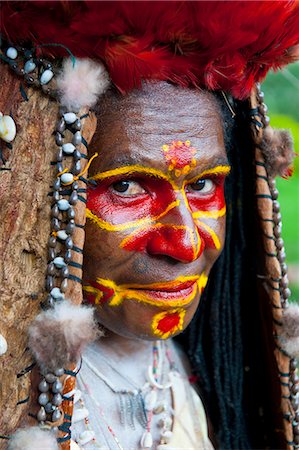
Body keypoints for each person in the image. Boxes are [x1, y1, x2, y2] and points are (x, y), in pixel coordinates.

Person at [0, 2, 299, 450]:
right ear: (37, 188)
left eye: (202, 184)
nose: (184, 242)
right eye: (125, 188)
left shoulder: (221, 383)